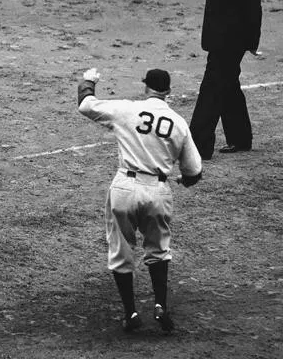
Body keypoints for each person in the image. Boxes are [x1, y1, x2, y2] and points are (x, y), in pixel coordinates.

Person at [77, 67, 202, 333]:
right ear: (168, 92)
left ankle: (131, 313)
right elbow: (194, 171)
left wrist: (88, 81)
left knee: (121, 250)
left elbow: (85, 105)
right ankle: (160, 306)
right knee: (158, 251)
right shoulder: (178, 123)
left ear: (146, 88)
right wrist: (183, 180)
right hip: (158, 191)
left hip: (125, 187)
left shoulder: (127, 109)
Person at [189, 0, 262, 160]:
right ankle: (241, 138)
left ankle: (198, 147)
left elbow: (253, 9)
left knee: (211, 90)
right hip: (223, 40)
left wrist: (251, 43)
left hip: (230, 43)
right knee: (229, 87)